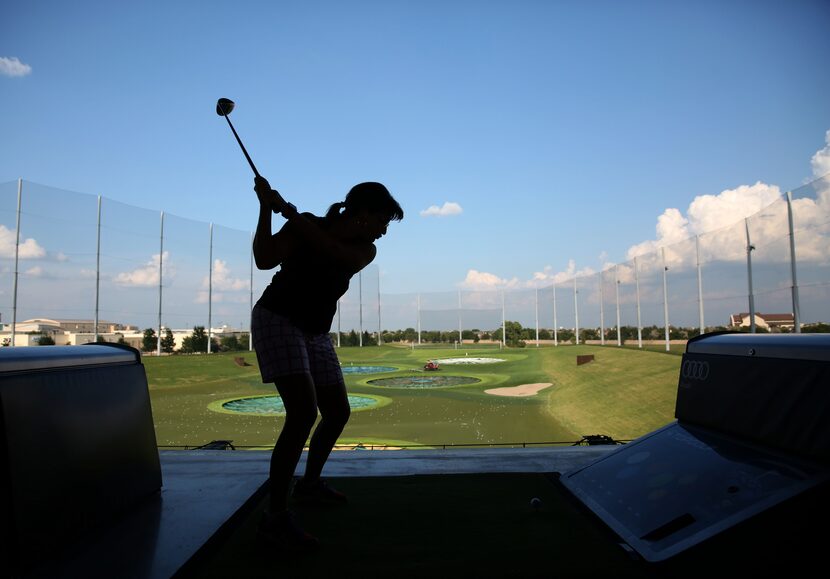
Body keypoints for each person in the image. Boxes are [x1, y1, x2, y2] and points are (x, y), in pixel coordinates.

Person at [250, 175, 403, 550]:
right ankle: (276, 517)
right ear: (364, 213)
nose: (384, 231)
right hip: (277, 319)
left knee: (336, 411)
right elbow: (265, 258)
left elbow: (336, 254)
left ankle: (310, 484)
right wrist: (266, 209)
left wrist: (292, 213)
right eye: (383, 221)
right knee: (302, 413)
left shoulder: (364, 249)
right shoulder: (307, 225)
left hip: (315, 331)